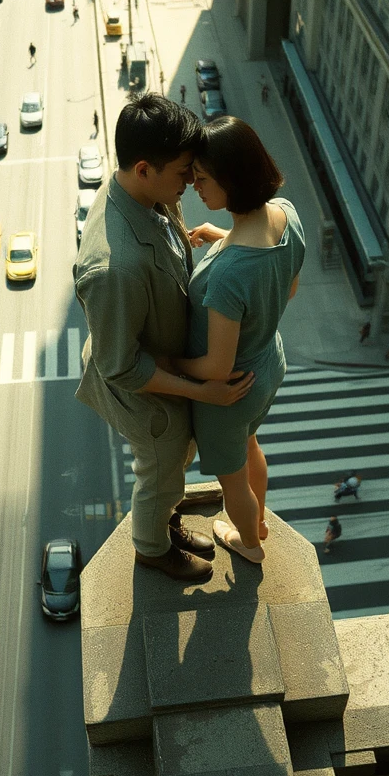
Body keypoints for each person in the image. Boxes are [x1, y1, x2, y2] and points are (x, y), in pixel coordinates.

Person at [73, 94, 255, 583]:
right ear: (143, 167)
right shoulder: (115, 267)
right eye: (182, 173)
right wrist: (202, 391)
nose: (190, 185)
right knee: (162, 462)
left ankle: (165, 516)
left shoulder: (142, 195)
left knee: (174, 459)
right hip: (139, 380)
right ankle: (152, 546)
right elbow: (121, 367)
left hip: (164, 357)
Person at [157, 116, 304, 566]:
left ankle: (250, 543)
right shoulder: (286, 212)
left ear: (232, 180)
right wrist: (224, 238)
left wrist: (170, 362)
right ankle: (257, 522)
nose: (194, 186)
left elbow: (216, 368)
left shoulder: (228, 276)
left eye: (202, 179)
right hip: (267, 364)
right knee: (250, 446)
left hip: (230, 390)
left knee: (232, 481)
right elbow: (286, 284)